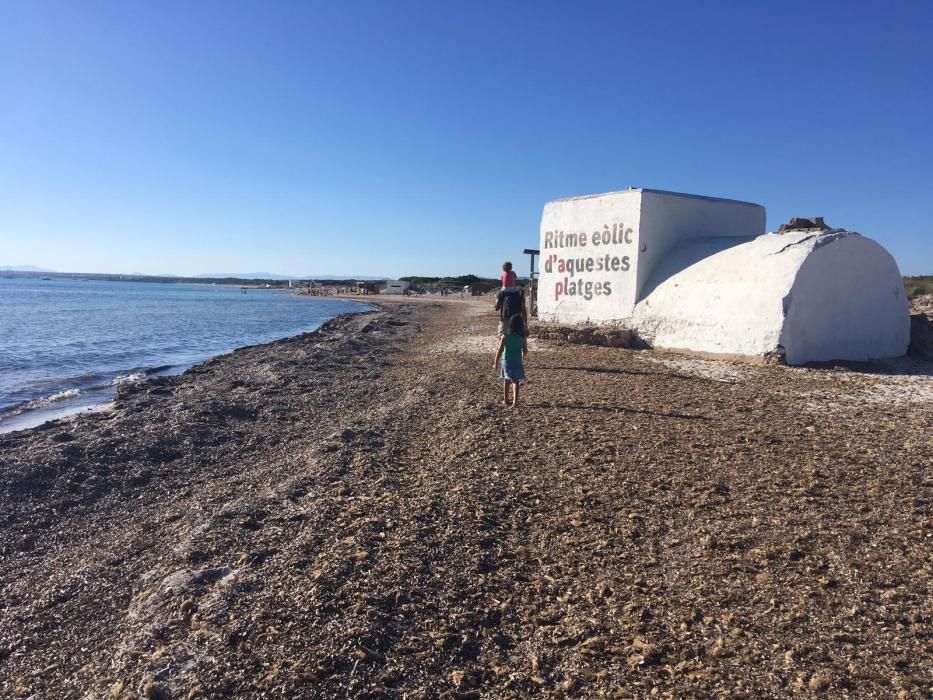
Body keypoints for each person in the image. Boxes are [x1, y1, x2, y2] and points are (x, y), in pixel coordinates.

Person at [494, 314, 528, 409]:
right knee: (516, 381)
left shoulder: (505, 336)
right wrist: (521, 355)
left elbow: (499, 351)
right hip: (517, 361)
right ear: (521, 325)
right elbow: (525, 351)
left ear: (510, 325)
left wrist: (495, 362)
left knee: (506, 380)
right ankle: (515, 402)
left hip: (507, 361)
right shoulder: (522, 337)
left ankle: (506, 400)